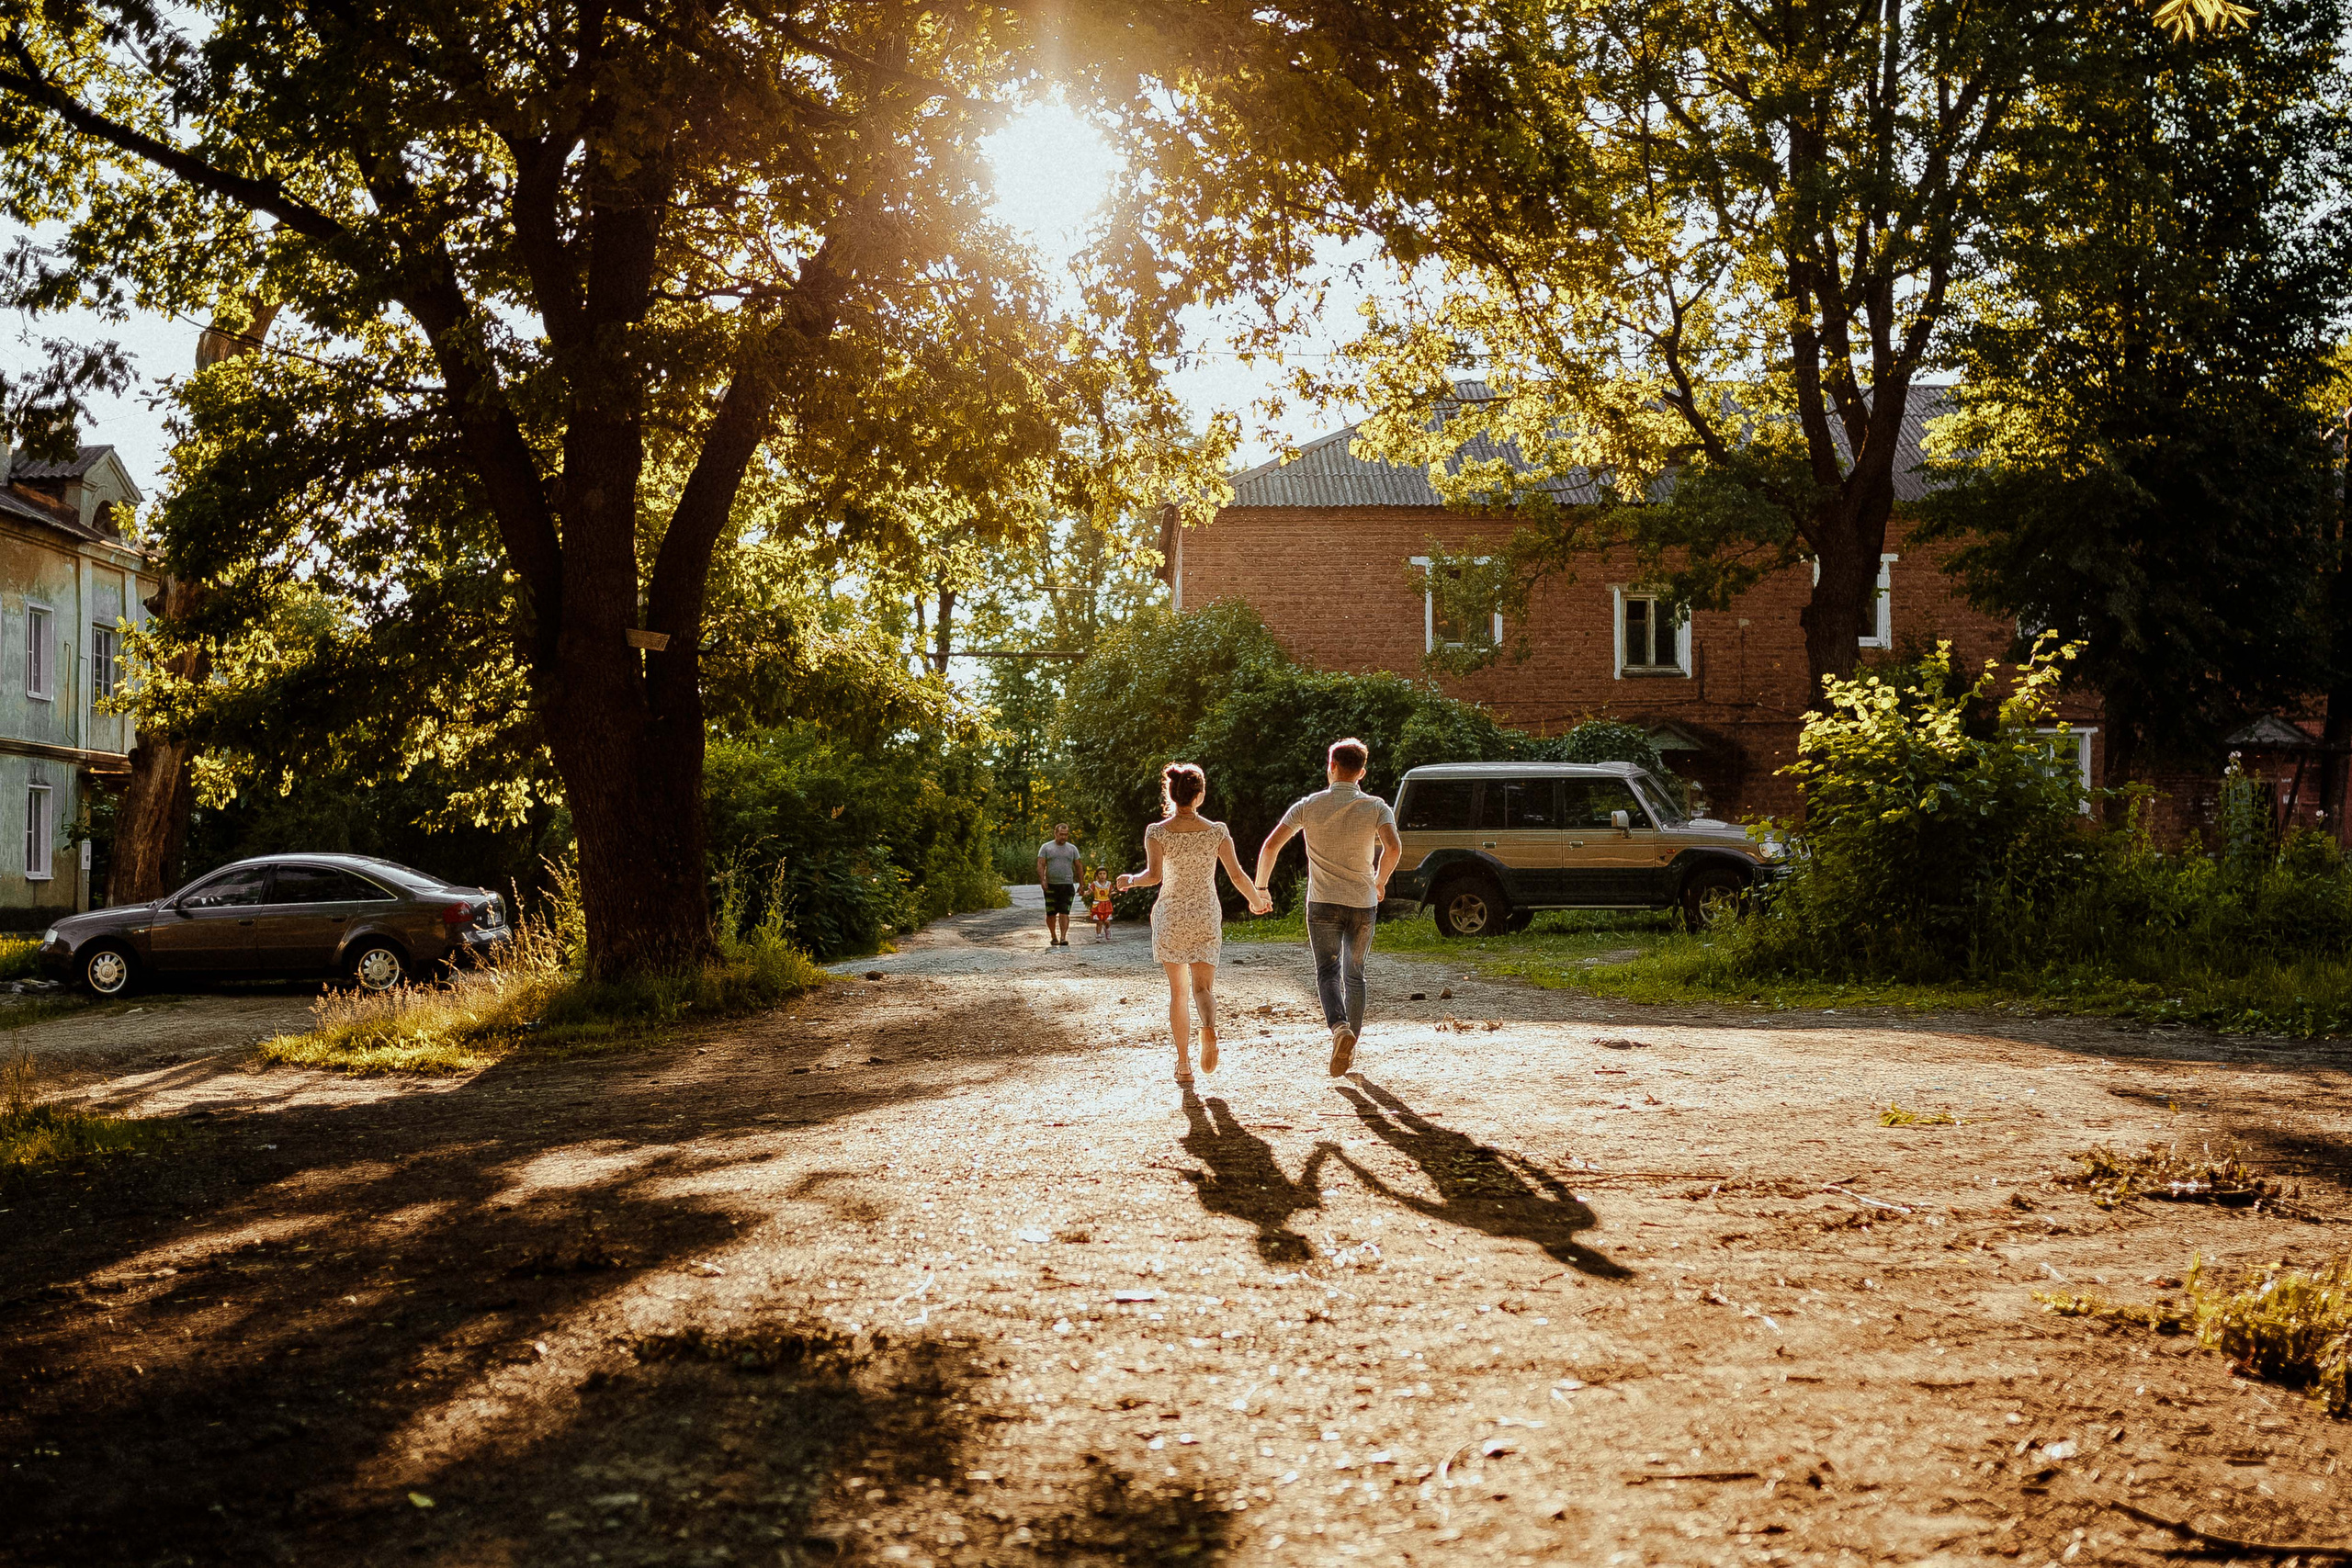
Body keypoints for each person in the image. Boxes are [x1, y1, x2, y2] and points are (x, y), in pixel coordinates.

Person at [1254, 737, 1402, 1077]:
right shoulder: (1377, 806)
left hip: (1322, 902)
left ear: (1330, 767)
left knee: (1327, 973)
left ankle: (1340, 1030)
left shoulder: (1308, 805)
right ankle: (1350, 1045)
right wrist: (1379, 881)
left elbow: (1271, 846)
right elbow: (1393, 848)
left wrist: (1261, 888)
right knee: (1356, 973)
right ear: (1361, 772)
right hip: (1362, 903)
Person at [1117, 762, 1272, 1084]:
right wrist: (1257, 901)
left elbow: (1154, 876)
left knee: (1178, 993)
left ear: (1171, 795)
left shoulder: (1157, 832)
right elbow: (1236, 875)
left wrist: (1129, 880)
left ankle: (1184, 1064)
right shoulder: (1217, 831)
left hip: (1172, 914)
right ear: (1199, 795)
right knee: (1203, 989)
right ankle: (1210, 1028)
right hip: (1205, 912)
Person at [1037, 823, 1083, 947]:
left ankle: (1063, 937)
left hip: (1067, 884)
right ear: (1055, 833)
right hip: (1051, 885)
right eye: (1061, 834)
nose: (1063, 837)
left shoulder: (1072, 849)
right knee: (1051, 913)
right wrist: (1042, 880)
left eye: (1066, 834)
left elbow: (1078, 866)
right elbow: (1040, 864)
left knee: (1064, 912)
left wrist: (1081, 884)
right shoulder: (1046, 847)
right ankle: (1053, 936)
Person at [1088, 868, 1117, 942]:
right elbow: (1088, 892)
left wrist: (1113, 894)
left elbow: (1110, 894)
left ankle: (1107, 930)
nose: (1102, 875)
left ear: (1106, 875)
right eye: (1100, 874)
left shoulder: (1109, 884)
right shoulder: (1094, 884)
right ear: (1097, 875)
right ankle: (1098, 935)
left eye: (1104, 873)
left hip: (1106, 904)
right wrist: (1082, 892)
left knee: (1107, 921)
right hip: (1097, 904)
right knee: (1099, 921)